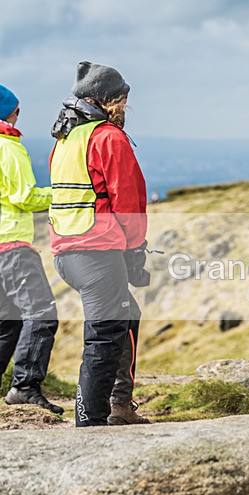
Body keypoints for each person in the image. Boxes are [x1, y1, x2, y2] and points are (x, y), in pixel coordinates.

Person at [49, 62, 151, 426]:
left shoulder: (65, 138)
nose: (125, 106)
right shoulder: (108, 137)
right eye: (123, 99)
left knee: (125, 316)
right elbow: (129, 201)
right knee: (105, 334)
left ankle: (119, 405)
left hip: (67, 252)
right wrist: (135, 249)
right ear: (112, 100)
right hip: (96, 251)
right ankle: (91, 419)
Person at [0, 84, 63, 414]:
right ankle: (24, 386)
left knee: (7, 323)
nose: (18, 116)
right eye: (17, 110)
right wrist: (60, 195)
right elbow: (24, 197)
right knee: (41, 314)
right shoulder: (8, 147)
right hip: (13, 245)